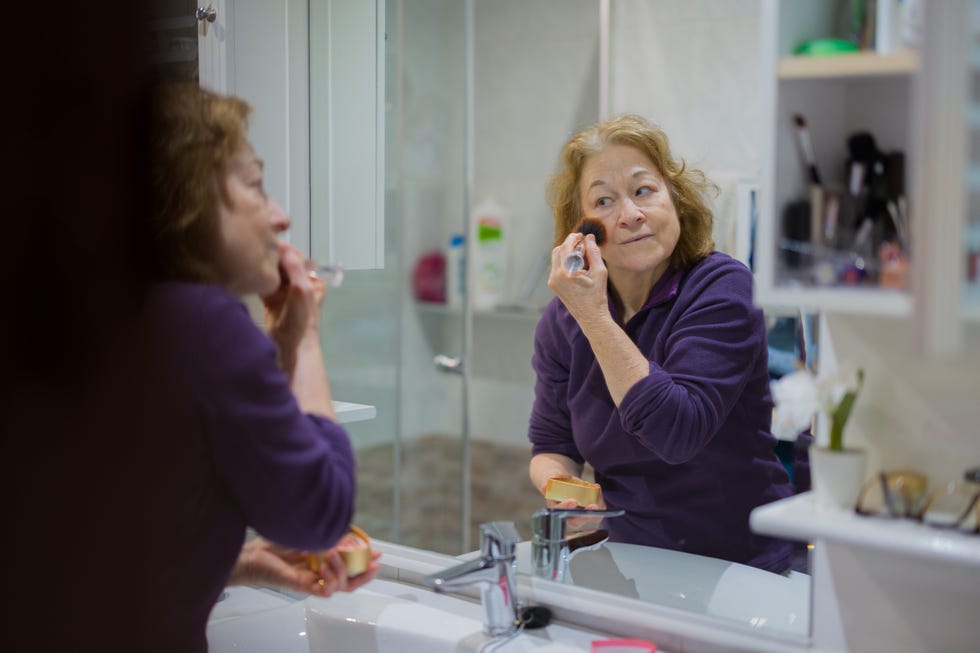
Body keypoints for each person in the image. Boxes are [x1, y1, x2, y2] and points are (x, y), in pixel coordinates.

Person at [141, 82, 379, 652]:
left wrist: (239, 562)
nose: (281, 216)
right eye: (255, 185)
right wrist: (305, 342)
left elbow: (111, 560)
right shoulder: (206, 322)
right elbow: (320, 512)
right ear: (189, 200)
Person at [528, 114, 793, 573]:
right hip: (634, 564)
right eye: (605, 201)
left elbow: (676, 432)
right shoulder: (563, 319)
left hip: (743, 569)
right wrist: (562, 487)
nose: (630, 215)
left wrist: (594, 316)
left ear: (676, 198)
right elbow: (551, 444)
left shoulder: (721, 287)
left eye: (643, 190)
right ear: (583, 231)